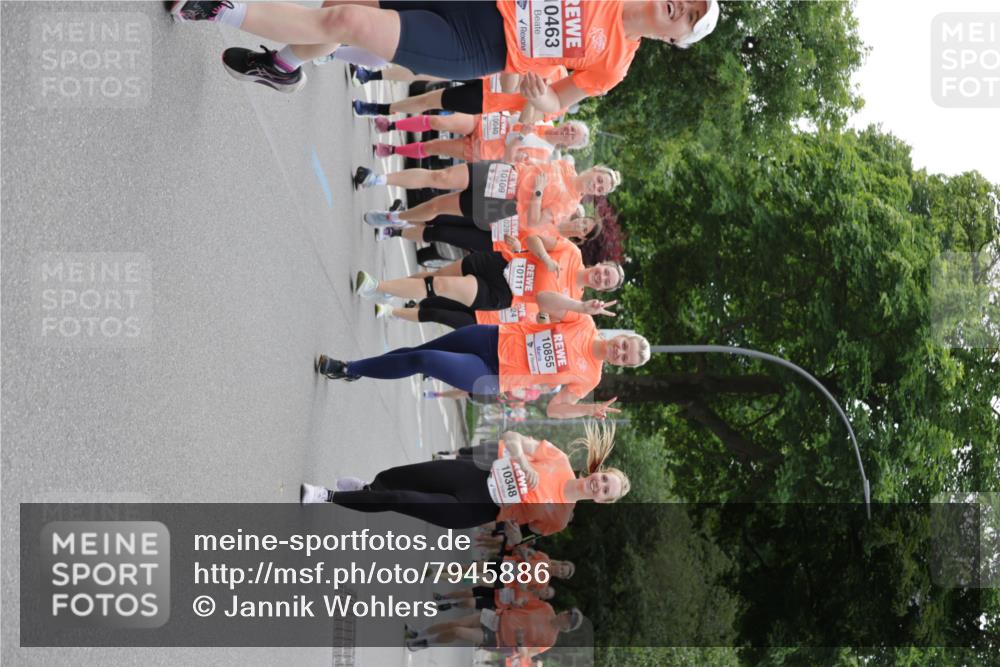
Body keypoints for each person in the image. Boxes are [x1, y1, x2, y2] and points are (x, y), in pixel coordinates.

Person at [169, 1, 719, 97]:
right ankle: (284, 64)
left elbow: (557, 103)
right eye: (686, 0)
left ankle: (218, 8)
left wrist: (539, 95)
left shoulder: (616, 62)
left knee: (347, 21)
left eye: (690, 18)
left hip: (480, 43)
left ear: (677, 39)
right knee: (340, 7)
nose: (680, 8)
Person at [316, 302, 646, 418]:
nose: (621, 352)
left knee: (424, 360)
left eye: (626, 359)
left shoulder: (591, 378)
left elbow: (554, 409)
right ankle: (358, 370)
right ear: (621, 337)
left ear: (622, 365)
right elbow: (545, 300)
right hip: (491, 337)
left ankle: (348, 368)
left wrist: (586, 409)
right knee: (417, 354)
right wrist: (579, 304)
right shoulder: (584, 323)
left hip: (492, 374)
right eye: (625, 346)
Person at [301, 423, 630, 533]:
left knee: (402, 500)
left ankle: (328, 496)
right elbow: (512, 435)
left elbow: (519, 533)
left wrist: (512, 535)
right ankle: (367, 490)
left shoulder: (559, 519)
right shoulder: (557, 458)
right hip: (474, 475)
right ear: (597, 472)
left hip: (476, 508)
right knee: (397, 478)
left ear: (602, 501)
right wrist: (519, 460)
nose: (599, 486)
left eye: (605, 491)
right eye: (604, 480)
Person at [354, 243, 624, 325]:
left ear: (600, 290)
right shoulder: (572, 252)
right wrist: (544, 258)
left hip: (502, 294)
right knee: (434, 277)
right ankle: (389, 291)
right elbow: (534, 239)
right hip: (501, 264)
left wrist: (579, 305)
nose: (600, 277)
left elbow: (542, 302)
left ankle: (377, 287)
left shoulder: (574, 301)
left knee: (441, 287)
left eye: (604, 283)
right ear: (600, 265)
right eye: (604, 273)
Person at [355, 159, 619, 229]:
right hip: (504, 175)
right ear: (594, 170)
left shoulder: (569, 205)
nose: (596, 186)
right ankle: (377, 179)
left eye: (600, 189)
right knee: (441, 177)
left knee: (437, 206)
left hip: (504, 206)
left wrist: (537, 192)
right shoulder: (566, 165)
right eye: (599, 180)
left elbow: (536, 221)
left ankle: (395, 216)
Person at [371, 114, 589, 164]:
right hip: (484, 124)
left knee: (433, 146)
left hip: (481, 149)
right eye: (571, 128)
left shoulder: (545, 155)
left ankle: (391, 150)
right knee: (438, 121)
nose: (567, 132)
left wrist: (519, 138)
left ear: (569, 145)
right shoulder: (545, 117)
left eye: (572, 137)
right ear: (567, 123)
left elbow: (512, 159)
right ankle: (390, 125)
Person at [405, 599, 582, 657]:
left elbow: (525, 653)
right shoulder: (546, 608)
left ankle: (425, 642)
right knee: (454, 624)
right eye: (568, 614)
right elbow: (523, 603)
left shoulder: (549, 640)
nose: (566, 617)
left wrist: (520, 641)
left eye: (569, 621)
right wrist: (517, 602)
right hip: (496, 617)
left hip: (499, 638)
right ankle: (418, 632)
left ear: (567, 628)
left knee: (458, 632)